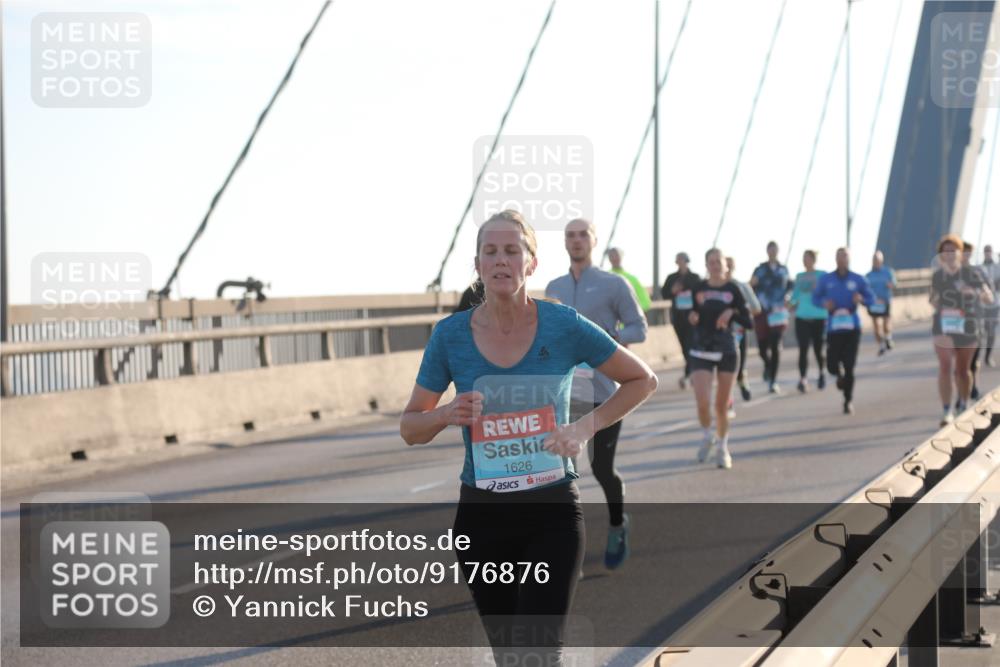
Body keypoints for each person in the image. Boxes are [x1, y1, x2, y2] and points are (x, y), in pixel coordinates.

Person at [401, 210, 657, 666]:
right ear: (478, 265)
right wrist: (445, 413)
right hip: (481, 519)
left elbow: (642, 379)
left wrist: (583, 428)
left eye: (512, 251)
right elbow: (410, 428)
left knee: (538, 653)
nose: (501, 260)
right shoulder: (450, 336)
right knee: (509, 658)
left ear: (531, 264)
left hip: (551, 513)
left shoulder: (563, 325)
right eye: (491, 251)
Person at [547, 220, 648, 570]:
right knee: (562, 471)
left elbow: (640, 326)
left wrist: (611, 341)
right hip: (564, 393)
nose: (576, 241)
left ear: (594, 241)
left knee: (602, 469)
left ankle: (618, 525)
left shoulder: (613, 284)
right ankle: (565, 542)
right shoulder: (554, 287)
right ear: (564, 243)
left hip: (604, 392)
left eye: (582, 235)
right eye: (570, 236)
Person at [688, 248, 753, 469]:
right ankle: (708, 435)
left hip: (726, 349)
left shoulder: (733, 289)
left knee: (721, 405)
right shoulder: (699, 288)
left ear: (726, 265)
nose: (715, 265)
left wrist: (731, 313)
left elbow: (749, 321)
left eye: (719, 261)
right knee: (702, 402)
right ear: (706, 265)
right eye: (711, 262)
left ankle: (723, 447)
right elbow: (692, 313)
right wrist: (692, 317)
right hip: (701, 349)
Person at [930, 235, 994, 425]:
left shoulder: (971, 274)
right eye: (945, 251)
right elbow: (932, 300)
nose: (949, 254)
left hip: (968, 326)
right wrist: (939, 302)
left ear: (960, 253)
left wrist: (974, 292)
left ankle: (963, 405)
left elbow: (988, 297)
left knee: (963, 371)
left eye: (953, 250)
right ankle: (946, 410)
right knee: (945, 366)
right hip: (944, 326)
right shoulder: (938, 276)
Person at [811, 247, 875, 415]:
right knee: (831, 364)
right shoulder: (826, 279)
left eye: (845, 256)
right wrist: (824, 303)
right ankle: (838, 375)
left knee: (849, 365)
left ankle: (848, 401)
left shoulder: (858, 279)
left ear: (849, 259)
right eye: (839, 256)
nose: (842, 259)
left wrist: (861, 299)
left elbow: (871, 298)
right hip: (833, 327)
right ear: (835, 259)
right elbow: (815, 298)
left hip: (852, 327)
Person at [750, 241, 793, 393]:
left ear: (778, 251)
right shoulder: (760, 269)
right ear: (767, 251)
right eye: (770, 249)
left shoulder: (783, 269)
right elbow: (751, 287)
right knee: (762, 348)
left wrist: (789, 298)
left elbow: (790, 287)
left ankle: (773, 380)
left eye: (775, 249)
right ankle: (767, 365)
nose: (772, 252)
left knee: (775, 345)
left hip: (778, 311)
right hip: (762, 311)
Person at [662, 252, 701, 390]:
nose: (679, 262)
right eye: (677, 260)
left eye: (681, 259)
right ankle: (691, 370)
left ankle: (689, 373)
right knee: (684, 346)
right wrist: (673, 291)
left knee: (691, 345)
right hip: (678, 317)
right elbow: (664, 294)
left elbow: (700, 295)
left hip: (692, 317)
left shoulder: (695, 277)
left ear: (686, 261)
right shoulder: (672, 278)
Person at [725, 255, 761, 403]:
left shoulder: (742, 286)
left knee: (738, 367)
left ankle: (742, 379)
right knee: (724, 370)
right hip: (718, 334)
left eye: (729, 265)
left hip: (738, 331)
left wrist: (737, 313)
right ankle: (728, 401)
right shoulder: (709, 288)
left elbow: (756, 308)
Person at [790, 249, 827, 393]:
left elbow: (827, 291)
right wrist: (790, 303)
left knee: (818, 349)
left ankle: (822, 373)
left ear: (813, 259)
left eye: (807, 258)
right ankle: (803, 379)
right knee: (803, 349)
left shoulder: (822, 275)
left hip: (819, 316)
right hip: (802, 316)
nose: (805, 260)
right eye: (803, 258)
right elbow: (795, 295)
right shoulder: (799, 276)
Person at [963, 242, 990, 400]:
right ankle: (963, 396)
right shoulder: (948, 274)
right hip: (955, 326)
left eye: (968, 253)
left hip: (975, 321)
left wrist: (978, 294)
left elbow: (988, 296)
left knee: (973, 362)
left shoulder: (975, 273)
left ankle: (973, 385)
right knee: (960, 365)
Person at [866, 250, 897, 355]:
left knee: (886, 323)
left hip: (885, 301)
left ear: (881, 260)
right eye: (874, 260)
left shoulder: (888, 272)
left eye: (877, 259)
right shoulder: (869, 275)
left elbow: (894, 284)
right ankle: (881, 346)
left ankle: (888, 338)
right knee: (875, 325)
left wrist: (890, 285)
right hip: (874, 302)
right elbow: (865, 289)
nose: (875, 261)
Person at [607, 247, 652, 312]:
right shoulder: (605, 278)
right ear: (609, 258)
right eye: (611, 256)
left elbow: (646, 302)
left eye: (616, 255)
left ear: (621, 256)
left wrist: (630, 311)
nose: (614, 258)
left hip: (630, 321)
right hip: (610, 322)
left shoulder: (632, 279)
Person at [980, 244, 1000, 367]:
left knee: (991, 331)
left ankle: (988, 357)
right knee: (982, 331)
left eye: (989, 251)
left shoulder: (997, 267)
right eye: (986, 251)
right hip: (982, 304)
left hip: (996, 303)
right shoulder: (979, 267)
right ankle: (976, 355)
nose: (988, 253)